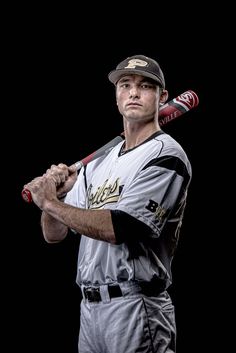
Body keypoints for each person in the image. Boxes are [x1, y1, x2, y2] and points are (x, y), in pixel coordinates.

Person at [24, 54, 192, 353]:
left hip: (136, 307)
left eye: (145, 86)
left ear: (162, 96)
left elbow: (121, 227)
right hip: (90, 311)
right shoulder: (99, 163)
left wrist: (49, 202)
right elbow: (55, 234)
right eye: (125, 85)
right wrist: (58, 194)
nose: (134, 92)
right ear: (116, 96)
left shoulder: (166, 155)